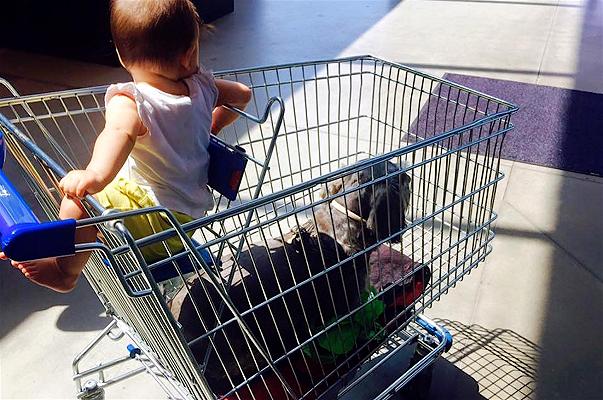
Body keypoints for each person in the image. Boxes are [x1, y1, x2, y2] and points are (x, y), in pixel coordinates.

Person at [0, 0, 251, 292]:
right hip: (187, 217)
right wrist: (213, 125)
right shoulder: (205, 87)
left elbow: (118, 133)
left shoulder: (131, 101)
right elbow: (242, 96)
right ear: (189, 54)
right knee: (113, 189)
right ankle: (64, 243)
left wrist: (94, 175)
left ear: (121, 55)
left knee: (79, 203)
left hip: (157, 219)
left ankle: (64, 272)